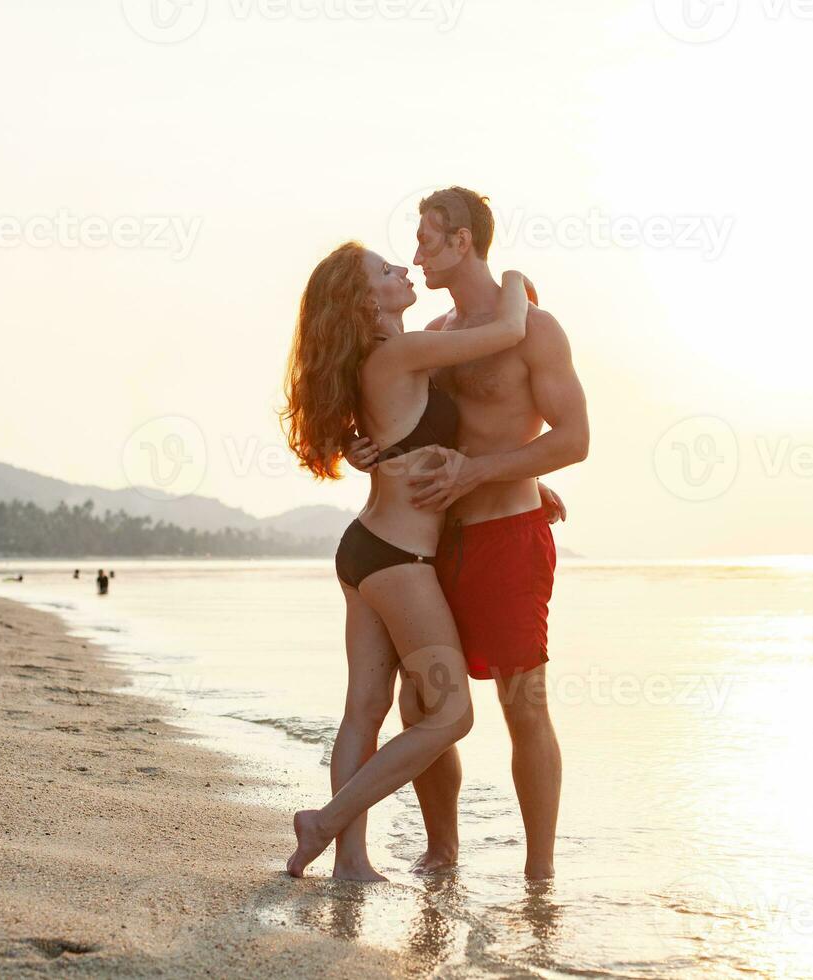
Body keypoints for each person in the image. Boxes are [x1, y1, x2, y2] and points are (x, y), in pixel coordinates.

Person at [347, 187, 589, 880]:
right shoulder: (443, 332)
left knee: (523, 706)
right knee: (420, 699)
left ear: (461, 242)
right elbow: (410, 419)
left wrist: (491, 473)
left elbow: (574, 439)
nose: (415, 252)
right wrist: (366, 446)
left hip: (508, 539)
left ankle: (539, 877)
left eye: (426, 238)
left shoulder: (535, 328)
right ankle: (441, 851)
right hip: (436, 545)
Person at [280, 241, 533, 880]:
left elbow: (427, 441)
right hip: (399, 560)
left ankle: (351, 864)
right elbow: (508, 326)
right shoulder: (402, 351)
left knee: (364, 709)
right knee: (451, 715)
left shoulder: (383, 359)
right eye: (385, 270)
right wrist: (514, 275)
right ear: (367, 300)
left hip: (366, 551)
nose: (402, 270)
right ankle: (327, 822)